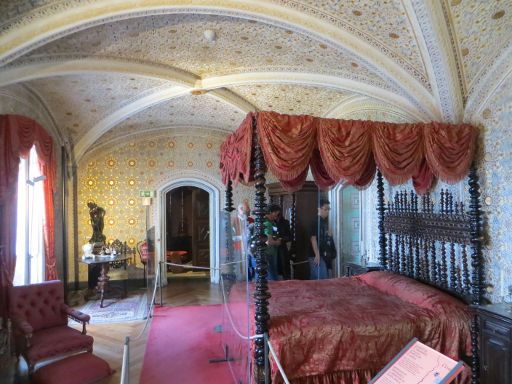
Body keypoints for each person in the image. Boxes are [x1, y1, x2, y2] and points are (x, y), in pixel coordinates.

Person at [309, 198, 332, 280]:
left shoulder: (324, 222)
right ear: (319, 209)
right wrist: (317, 254)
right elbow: (313, 238)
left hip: (322, 254)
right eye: (326, 209)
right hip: (315, 255)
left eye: (329, 209)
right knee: (322, 280)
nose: (328, 211)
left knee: (317, 279)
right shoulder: (315, 222)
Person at [263, 204, 282, 281]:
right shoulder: (267, 224)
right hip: (268, 254)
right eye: (276, 213)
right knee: (273, 278)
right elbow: (268, 241)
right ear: (271, 212)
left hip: (271, 253)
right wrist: (277, 242)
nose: (277, 216)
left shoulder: (271, 222)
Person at [275, 207, 292, 279]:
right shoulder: (271, 222)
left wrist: (282, 239)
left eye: (277, 213)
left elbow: (290, 236)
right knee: (274, 267)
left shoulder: (285, 222)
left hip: (282, 247)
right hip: (273, 247)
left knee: (284, 266)